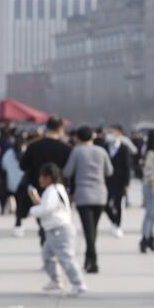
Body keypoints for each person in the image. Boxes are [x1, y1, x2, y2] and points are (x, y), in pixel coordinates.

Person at [29, 163, 86, 296]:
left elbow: (46, 209)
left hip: (59, 229)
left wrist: (33, 210)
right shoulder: (55, 189)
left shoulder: (53, 191)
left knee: (65, 257)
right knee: (47, 256)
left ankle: (78, 283)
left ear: (49, 177)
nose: (40, 180)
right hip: (55, 229)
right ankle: (56, 280)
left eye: (42, 177)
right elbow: (47, 206)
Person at [63, 126, 114, 273]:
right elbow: (109, 171)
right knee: (92, 230)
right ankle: (88, 260)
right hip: (100, 194)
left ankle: (94, 260)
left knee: (88, 230)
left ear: (78, 138)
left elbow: (67, 171)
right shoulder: (101, 151)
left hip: (83, 194)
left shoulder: (77, 151)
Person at [20, 116, 72, 244]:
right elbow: (69, 170)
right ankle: (52, 245)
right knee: (56, 218)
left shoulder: (33, 146)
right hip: (58, 188)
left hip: (37, 187)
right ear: (60, 128)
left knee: (42, 218)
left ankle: (46, 242)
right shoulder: (66, 148)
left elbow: (23, 166)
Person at [103, 125, 132, 238]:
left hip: (120, 181)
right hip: (107, 180)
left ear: (119, 133)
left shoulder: (124, 148)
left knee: (118, 204)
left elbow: (127, 167)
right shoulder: (105, 147)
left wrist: (127, 182)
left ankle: (118, 225)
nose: (111, 134)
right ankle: (113, 219)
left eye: (114, 132)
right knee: (105, 204)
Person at [1, 133, 26, 235]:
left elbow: (3, 166)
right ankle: (19, 222)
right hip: (23, 182)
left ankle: (18, 223)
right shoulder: (25, 151)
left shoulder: (9, 153)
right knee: (21, 204)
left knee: (17, 202)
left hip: (12, 183)